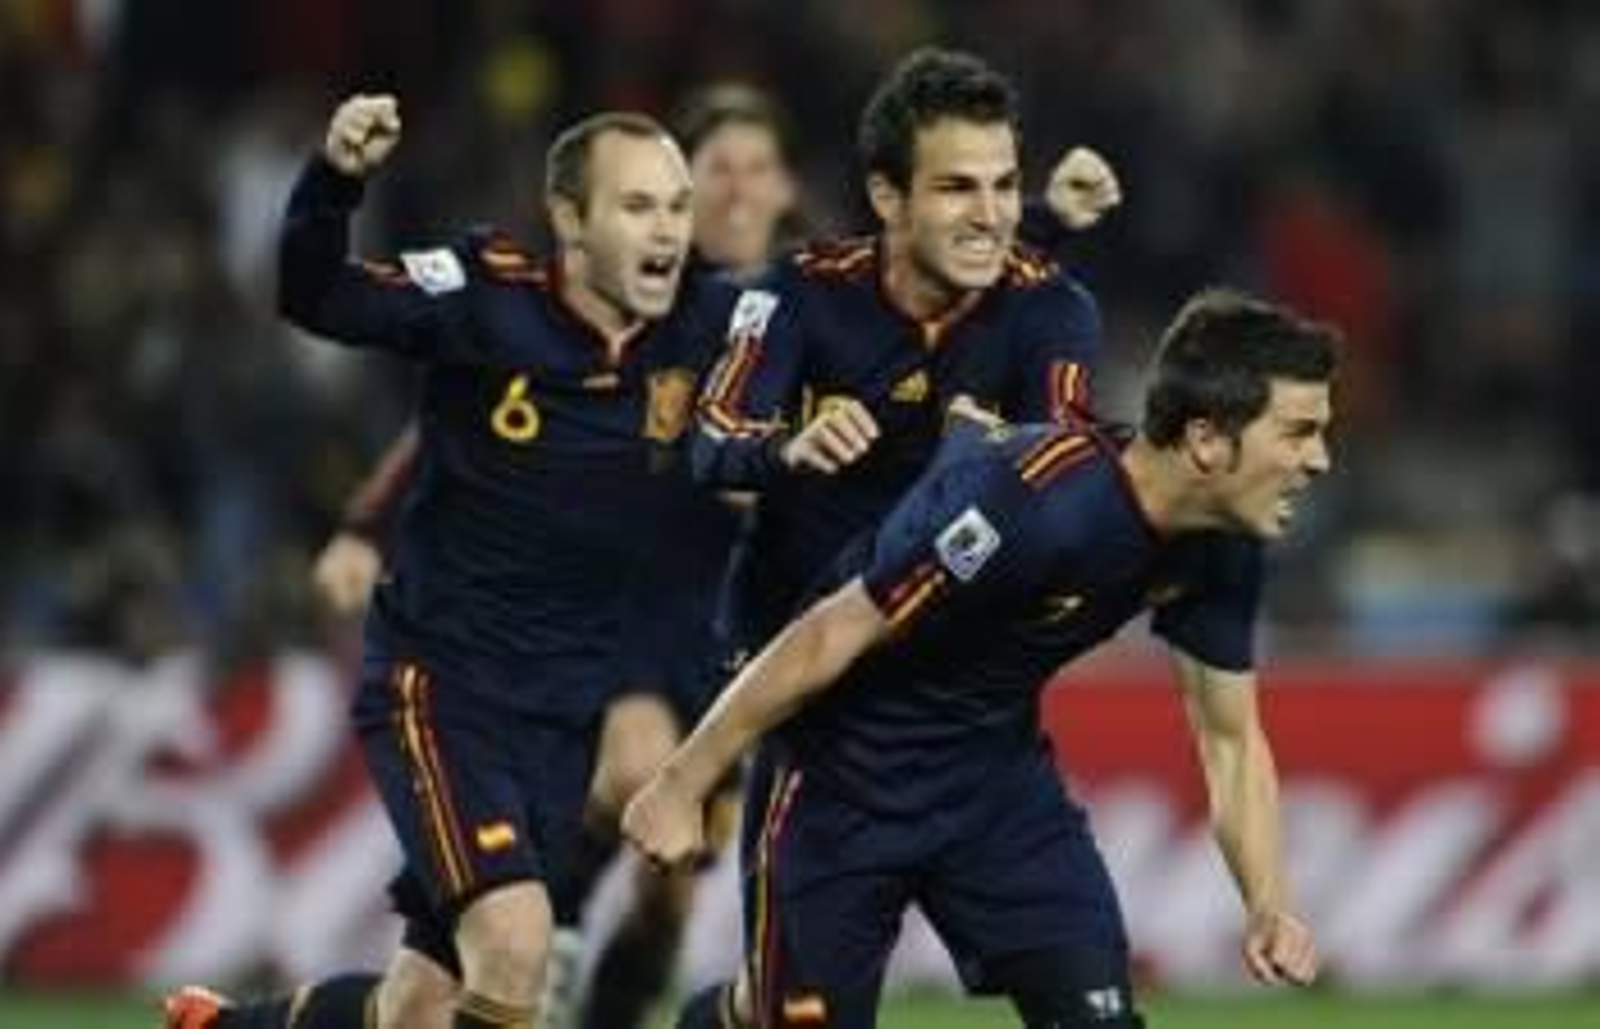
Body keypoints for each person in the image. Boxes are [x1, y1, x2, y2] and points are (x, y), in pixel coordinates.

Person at [300, 68, 1123, 1029]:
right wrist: (367, 520)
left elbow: (963, 277)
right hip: (662, 614)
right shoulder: (645, 300)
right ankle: (550, 935)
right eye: (702, 176)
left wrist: (1041, 236)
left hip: (849, 656)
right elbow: (474, 414)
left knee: (594, 922)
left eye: (753, 169)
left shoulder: (777, 296)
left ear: (785, 189)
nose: (732, 191)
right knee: (585, 842)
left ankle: (563, 975)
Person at [163, 93, 731, 1029]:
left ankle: (226, 1026)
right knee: (516, 941)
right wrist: (335, 180)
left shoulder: (697, 330)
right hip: (442, 686)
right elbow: (317, 295)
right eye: (637, 206)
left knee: (421, 1004)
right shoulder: (484, 294)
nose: (668, 227)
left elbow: (861, 301)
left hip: (561, 716)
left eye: (676, 204)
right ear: (570, 220)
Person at [626, 287, 1334, 1028]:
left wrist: (1268, 902)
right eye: (1298, 432)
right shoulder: (1033, 503)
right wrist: (681, 783)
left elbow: (1228, 737)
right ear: (1208, 440)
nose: (1318, 459)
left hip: (996, 791)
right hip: (840, 780)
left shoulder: (1223, 547)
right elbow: (828, 633)